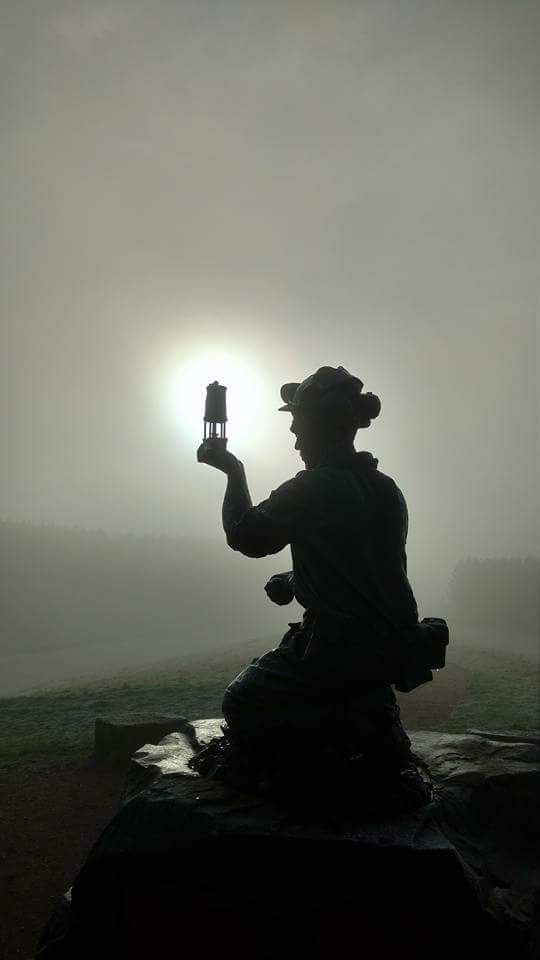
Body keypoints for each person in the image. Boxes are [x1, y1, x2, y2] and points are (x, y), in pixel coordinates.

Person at [196, 365, 428, 806]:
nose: (296, 441)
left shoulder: (312, 487)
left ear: (323, 427)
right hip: (384, 647)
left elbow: (247, 536)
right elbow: (363, 567)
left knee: (243, 700)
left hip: (336, 648)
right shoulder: (385, 488)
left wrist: (233, 471)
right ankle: (365, 721)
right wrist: (296, 578)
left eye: (299, 428)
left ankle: (322, 753)